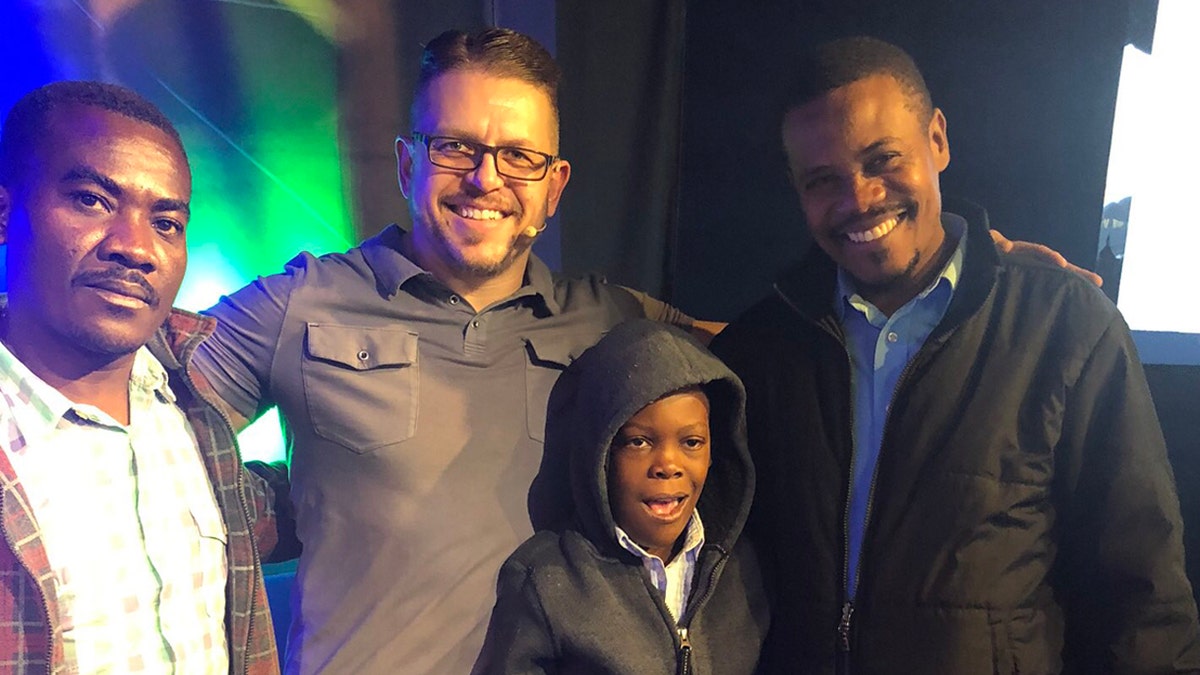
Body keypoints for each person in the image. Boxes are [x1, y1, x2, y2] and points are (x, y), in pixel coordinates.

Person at [709, 36, 1200, 674]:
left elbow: (1143, 595)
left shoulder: (1065, 326)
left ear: (936, 139)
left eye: (883, 159)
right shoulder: (758, 352)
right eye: (823, 180)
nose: (859, 199)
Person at [0, 81, 280, 673]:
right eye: (91, 200)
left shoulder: (194, 405)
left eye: (166, 222)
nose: (136, 248)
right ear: (6, 213)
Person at [473, 319, 768, 673]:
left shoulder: (742, 571)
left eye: (691, 443)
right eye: (639, 442)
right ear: (600, 454)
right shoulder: (545, 579)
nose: (668, 465)